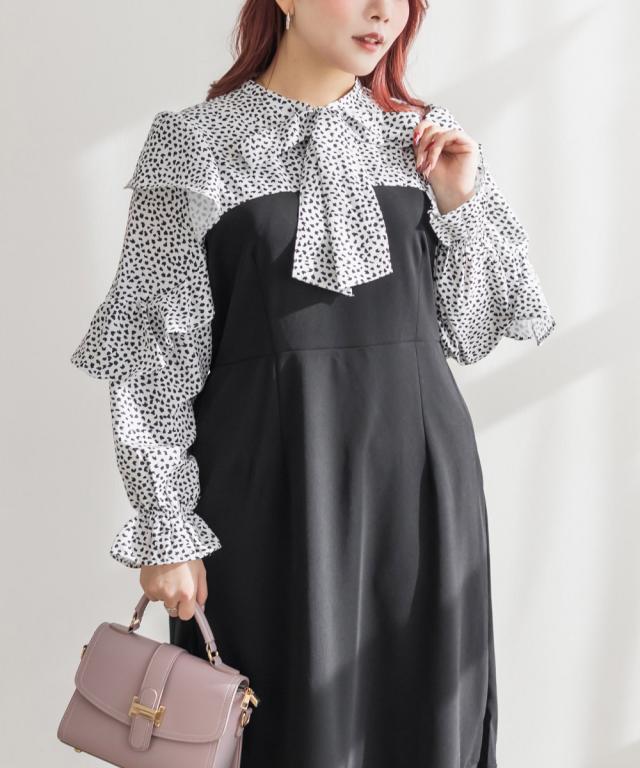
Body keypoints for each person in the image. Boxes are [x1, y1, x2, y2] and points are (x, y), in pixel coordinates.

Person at [69, 1, 556, 766]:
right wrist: (165, 524)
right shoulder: (196, 144)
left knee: (427, 727)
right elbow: (153, 356)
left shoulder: (421, 139)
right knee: (283, 733)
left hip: (421, 499)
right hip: (267, 503)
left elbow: (474, 330)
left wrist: (460, 200)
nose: (382, 12)